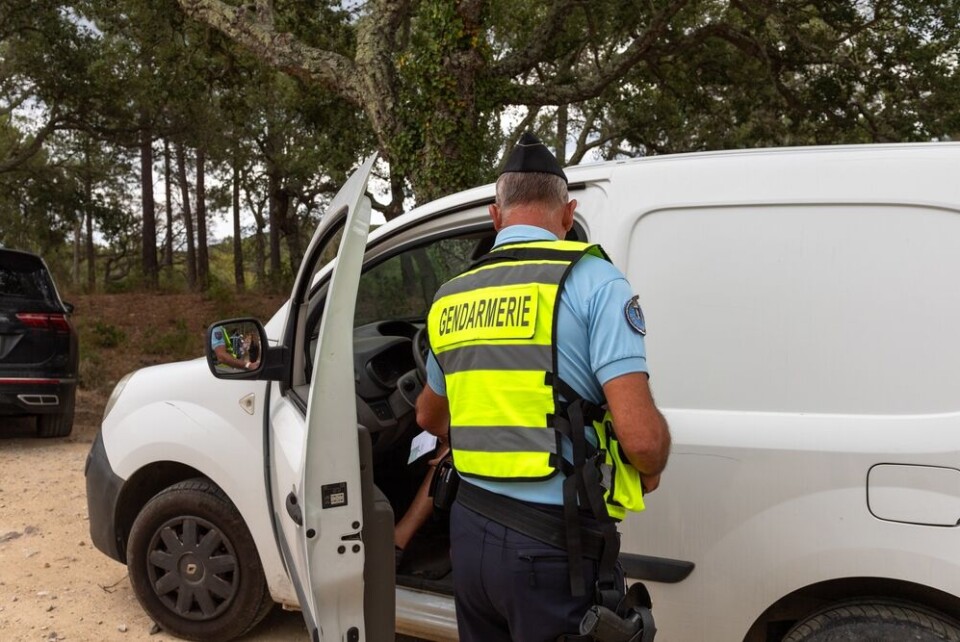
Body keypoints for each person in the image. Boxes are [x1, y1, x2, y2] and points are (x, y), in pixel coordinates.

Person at [415, 132, 671, 642]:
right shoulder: (596, 282)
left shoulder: (450, 298)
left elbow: (429, 418)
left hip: (468, 534)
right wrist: (654, 462)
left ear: (496, 215)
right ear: (567, 213)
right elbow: (642, 440)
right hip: (552, 546)